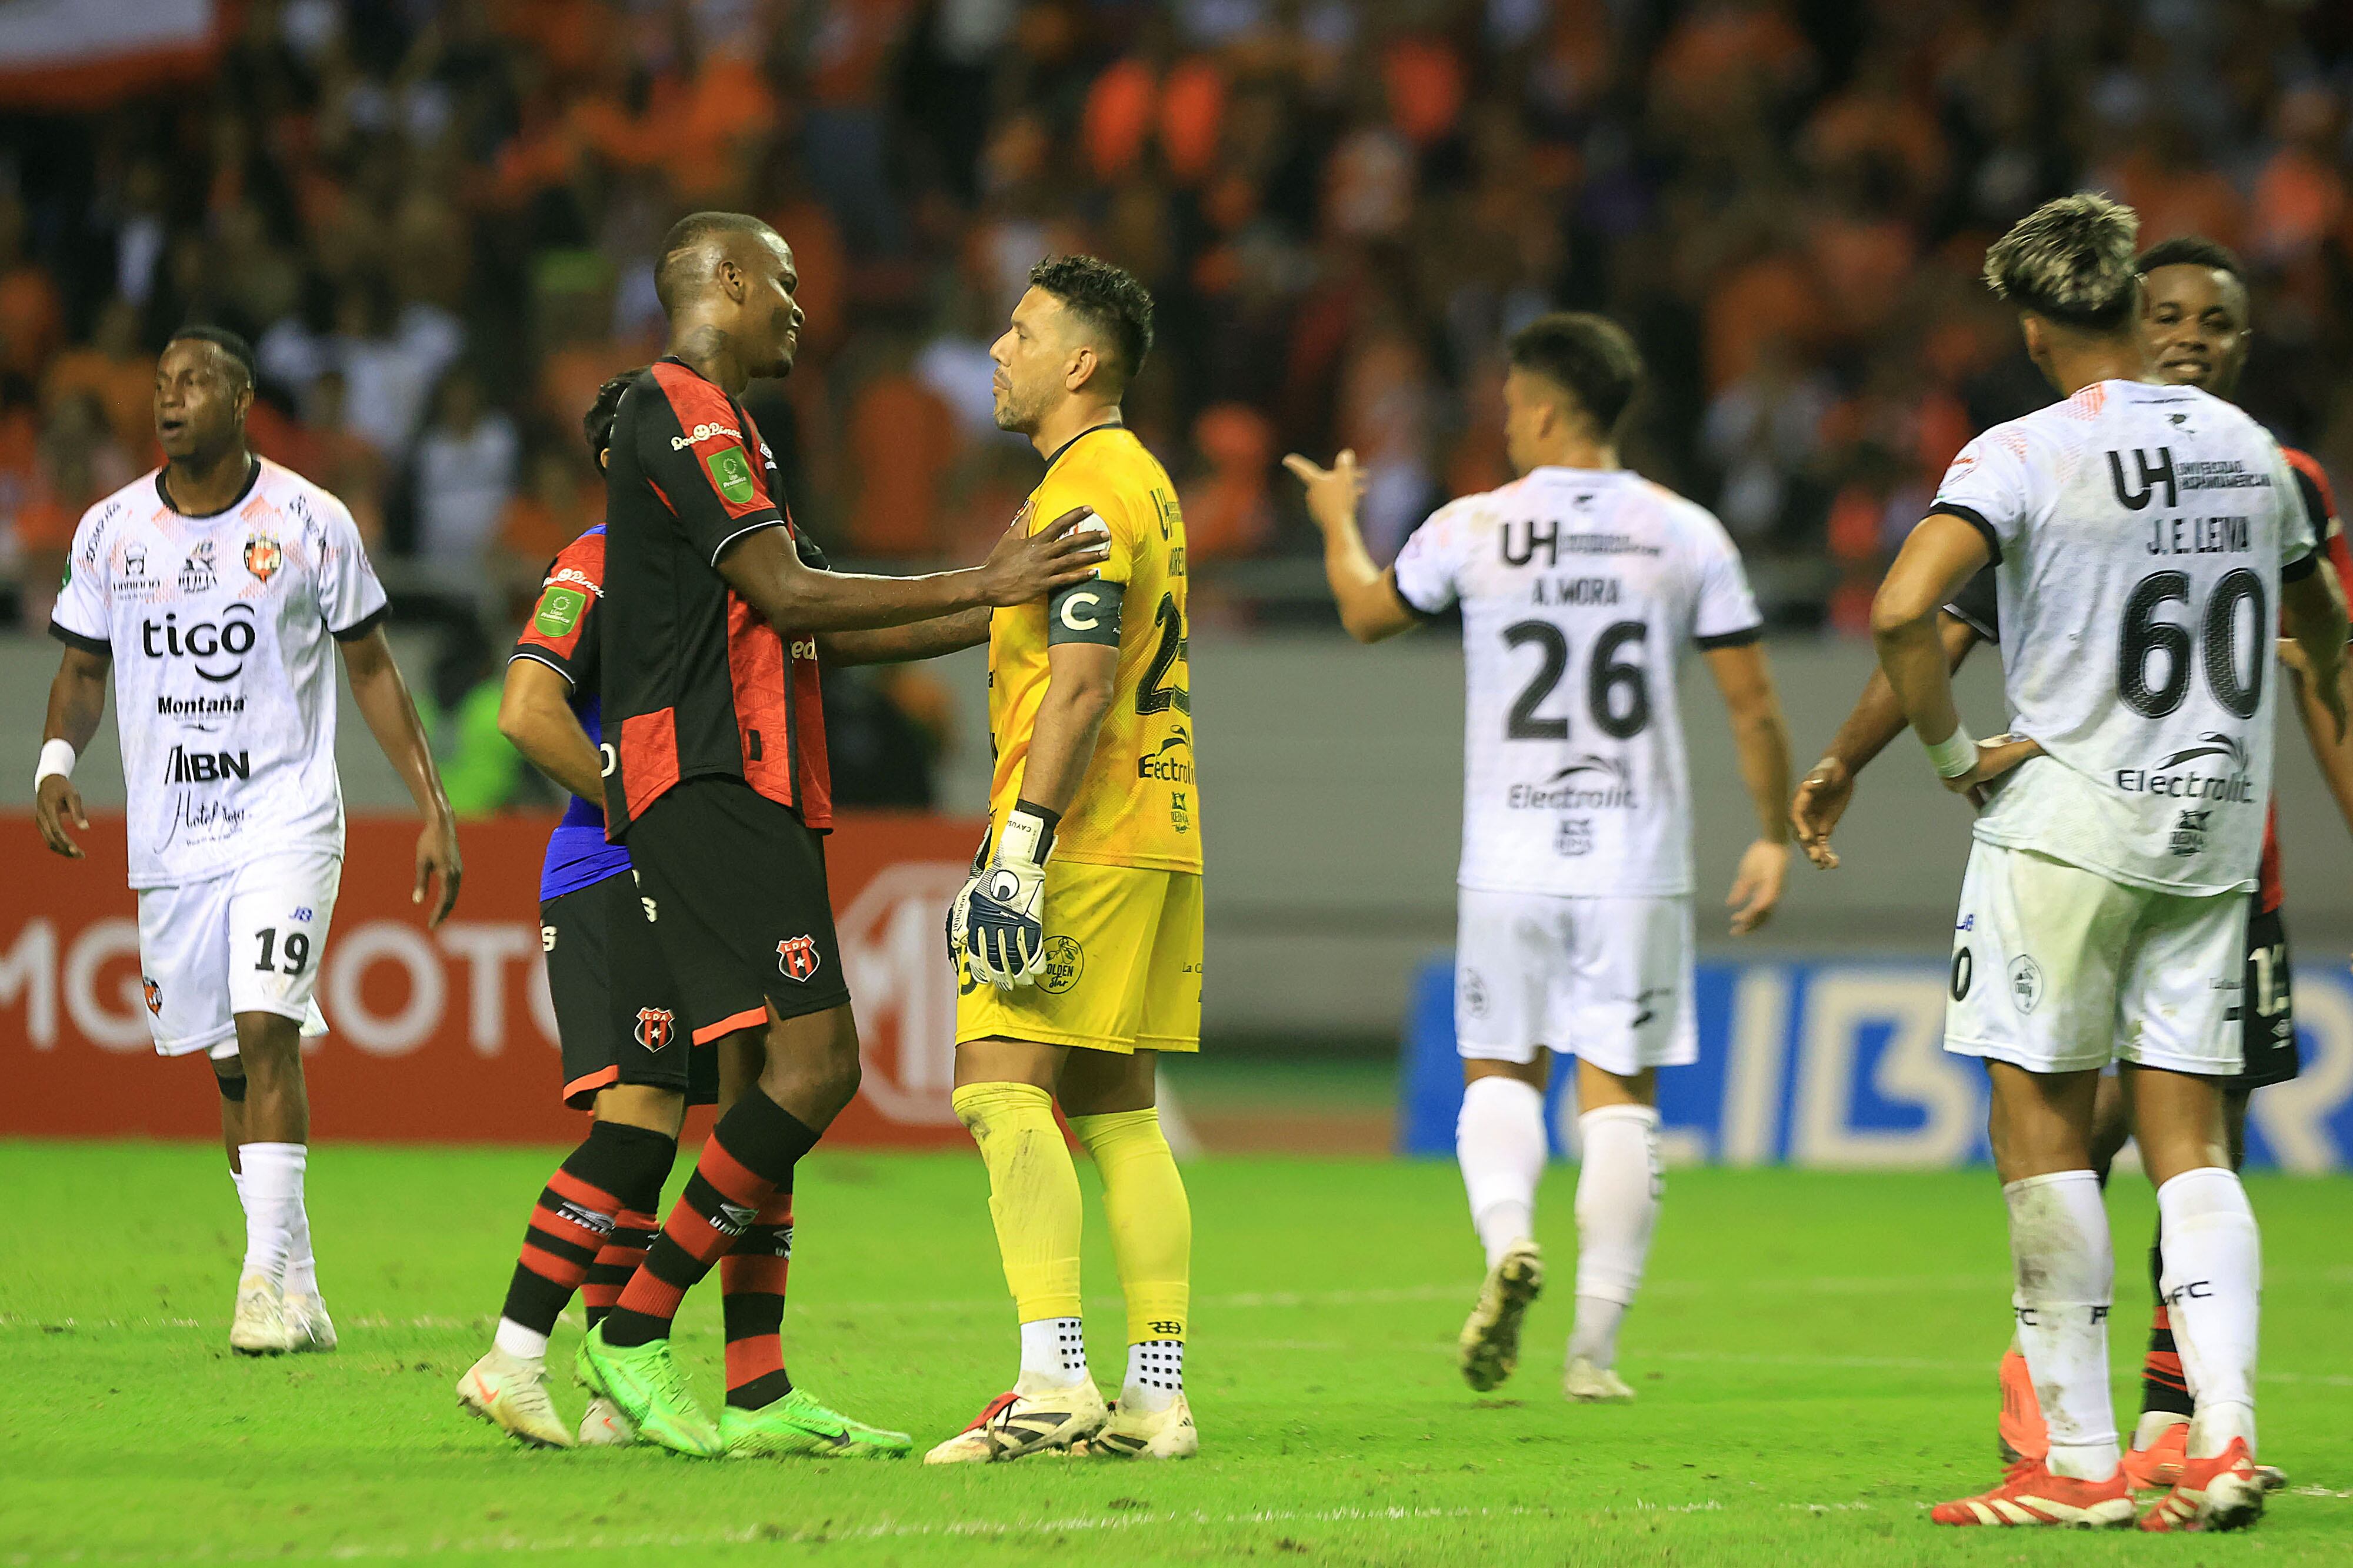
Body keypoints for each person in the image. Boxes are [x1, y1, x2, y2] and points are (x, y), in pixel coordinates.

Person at [1793, 233, 2353, 1496]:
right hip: (2210, 837)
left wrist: (1948, 759)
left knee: (2039, 1135)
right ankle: (2217, 1433)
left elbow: (1900, 613)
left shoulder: (2025, 450)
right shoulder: (2257, 457)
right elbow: (2323, 627)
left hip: (2063, 834)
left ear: (2037, 331)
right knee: (2193, 1145)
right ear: (2133, 308)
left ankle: (2077, 1458)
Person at [569, 212, 1109, 1459]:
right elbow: (787, 594)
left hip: (749, 775)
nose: (803, 310)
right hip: (709, 774)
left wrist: (993, 598)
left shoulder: (736, 434)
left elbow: (826, 624)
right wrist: (985, 584)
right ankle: (637, 1325)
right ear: (726, 281)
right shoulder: (682, 408)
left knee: (762, 1081)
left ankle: (755, 1389)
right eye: (788, 286)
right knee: (823, 1069)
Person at [1287, 311, 1794, 1404]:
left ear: (1553, 409)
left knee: (1501, 1071)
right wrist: (1771, 831)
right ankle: (1594, 1354)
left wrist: (1339, 521)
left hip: (1509, 853)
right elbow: (1750, 706)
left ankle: (1508, 1240)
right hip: (1636, 857)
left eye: (1515, 406)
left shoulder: (1475, 526)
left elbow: (1368, 613)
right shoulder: (1685, 532)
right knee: (1619, 1098)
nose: (1505, 423)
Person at [35, 325, 461, 1357]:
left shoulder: (311, 521)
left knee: (268, 1025)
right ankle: (301, 1281)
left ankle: (261, 1285)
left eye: (195, 382)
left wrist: (432, 805)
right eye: (162, 383)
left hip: (286, 814)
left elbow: (371, 668)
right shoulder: (110, 532)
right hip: (173, 836)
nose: (170, 398)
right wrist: (54, 759)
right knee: (228, 1069)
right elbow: (84, 671)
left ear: (240, 401)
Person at [927, 255, 1204, 1465]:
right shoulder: (1141, 478)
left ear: (1079, 363)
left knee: (996, 1082)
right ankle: (1154, 1395)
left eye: (1021, 330)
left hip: (1082, 828)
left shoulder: (1084, 488)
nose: (997, 348)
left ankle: (1051, 1380)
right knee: (1116, 1110)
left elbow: (1080, 686)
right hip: (1161, 822)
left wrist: (1018, 856)